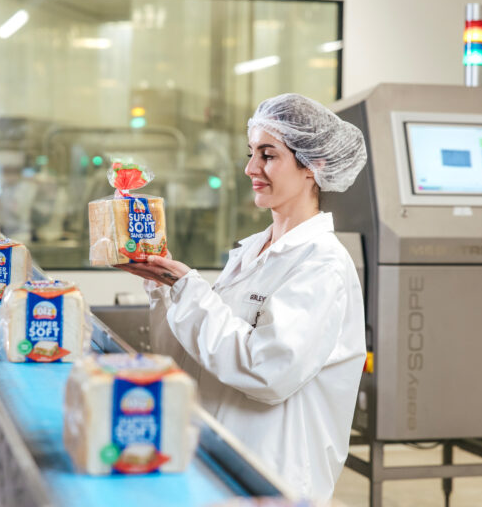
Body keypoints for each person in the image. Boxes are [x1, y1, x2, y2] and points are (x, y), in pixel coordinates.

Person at [117, 93, 367, 502]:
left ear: (314, 166)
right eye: (251, 153)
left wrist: (189, 290)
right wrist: (165, 288)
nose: (251, 168)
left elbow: (266, 372)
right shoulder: (253, 253)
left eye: (268, 155)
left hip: (274, 475)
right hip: (221, 460)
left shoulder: (322, 266)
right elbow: (192, 360)